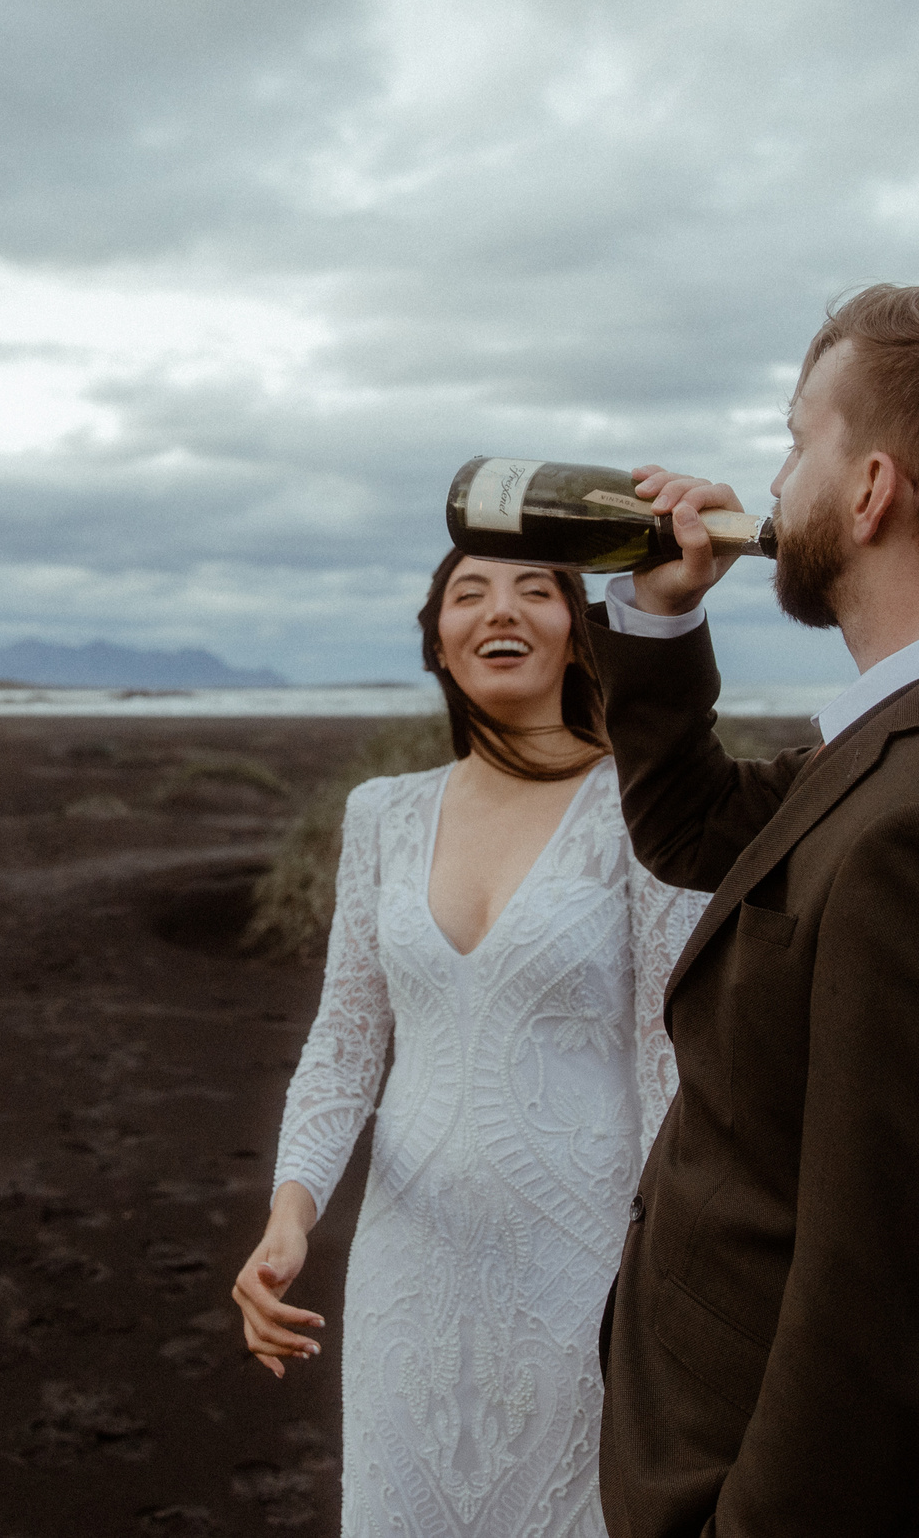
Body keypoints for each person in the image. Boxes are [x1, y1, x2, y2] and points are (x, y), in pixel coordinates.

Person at [590, 284, 919, 1537]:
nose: (771, 487)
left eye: (797, 444)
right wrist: (660, 614)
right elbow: (698, 833)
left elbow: (872, 1326)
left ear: (873, 490)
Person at [233, 548, 703, 1538]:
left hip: (583, 1268)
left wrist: (678, 1265)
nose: (504, 610)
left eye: (537, 590)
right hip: (409, 1265)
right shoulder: (382, 815)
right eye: (470, 594)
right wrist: (290, 1213)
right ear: (437, 641)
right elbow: (349, 1037)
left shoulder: (646, 806)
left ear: (577, 634)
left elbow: (672, 1052)